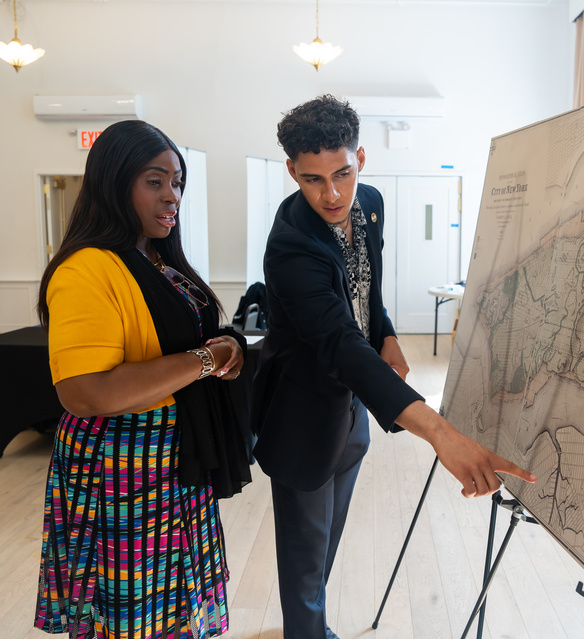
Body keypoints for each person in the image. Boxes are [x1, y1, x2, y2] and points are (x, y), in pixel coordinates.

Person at [250, 95, 537, 639]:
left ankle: (313, 628)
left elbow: (364, 289)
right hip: (302, 417)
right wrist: (440, 432)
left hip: (351, 411)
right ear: (291, 171)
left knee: (325, 547)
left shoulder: (370, 203)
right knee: (304, 561)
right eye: (313, 180)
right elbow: (339, 343)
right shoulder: (290, 249)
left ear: (360, 158)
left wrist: (386, 334)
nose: (332, 194)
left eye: (343, 173)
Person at [34, 120, 251, 639]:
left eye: (177, 182)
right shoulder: (85, 269)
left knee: (170, 611)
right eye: (155, 181)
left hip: (174, 458)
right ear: (114, 181)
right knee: (132, 615)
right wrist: (207, 359)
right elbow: (86, 392)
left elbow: (183, 341)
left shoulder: (154, 259)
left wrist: (226, 347)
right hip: (122, 467)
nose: (171, 196)